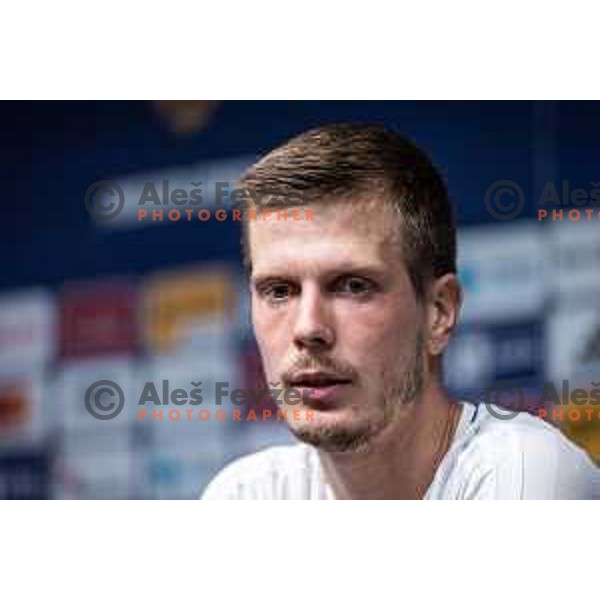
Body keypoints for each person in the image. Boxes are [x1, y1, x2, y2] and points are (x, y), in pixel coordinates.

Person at [201, 123, 598, 499]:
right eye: (279, 290)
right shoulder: (244, 494)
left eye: (354, 286)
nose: (308, 328)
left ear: (439, 313)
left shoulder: (526, 473)